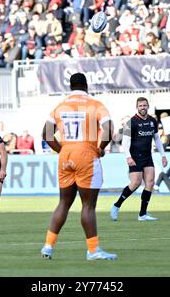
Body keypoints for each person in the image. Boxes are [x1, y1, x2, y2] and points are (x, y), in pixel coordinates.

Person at [40, 72, 117, 261]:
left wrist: (61, 150)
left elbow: (46, 133)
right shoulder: (95, 104)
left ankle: (48, 246)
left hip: (66, 154)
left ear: (71, 86)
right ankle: (93, 250)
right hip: (87, 154)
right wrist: (101, 148)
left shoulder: (60, 106)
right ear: (86, 86)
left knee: (64, 203)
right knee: (88, 206)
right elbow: (109, 129)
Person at [110, 97, 168, 222]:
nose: (143, 107)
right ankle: (117, 205)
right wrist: (128, 156)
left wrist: (163, 155)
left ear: (148, 106)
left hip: (148, 156)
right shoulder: (132, 122)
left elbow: (157, 139)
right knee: (135, 183)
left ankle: (142, 214)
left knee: (150, 183)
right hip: (135, 156)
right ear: (137, 107)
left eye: (145, 105)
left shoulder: (152, 121)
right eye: (140, 106)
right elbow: (125, 141)